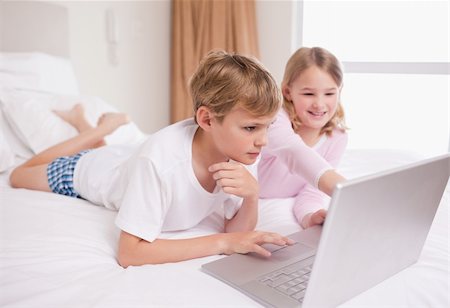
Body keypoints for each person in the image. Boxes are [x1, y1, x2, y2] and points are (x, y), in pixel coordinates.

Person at [9, 50, 294, 267]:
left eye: (267, 126)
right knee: (20, 174)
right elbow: (129, 253)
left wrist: (252, 197)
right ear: (206, 119)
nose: (263, 140)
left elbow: (238, 231)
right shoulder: (158, 161)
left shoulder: (244, 149)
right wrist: (224, 243)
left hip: (124, 161)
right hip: (89, 171)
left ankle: (91, 128)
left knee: (109, 155)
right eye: (250, 127)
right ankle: (100, 128)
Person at [258, 47, 348, 229]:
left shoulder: (337, 138)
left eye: (329, 93)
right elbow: (293, 151)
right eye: (308, 94)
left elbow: (312, 191)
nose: (319, 104)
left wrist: (309, 216)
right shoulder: (275, 117)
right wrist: (349, 191)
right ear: (287, 92)